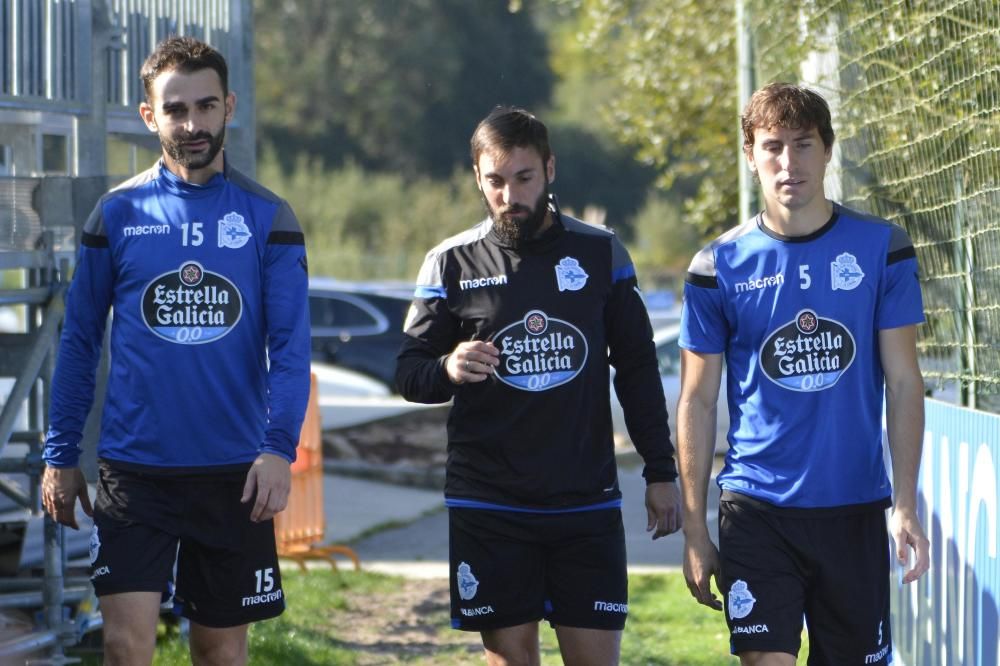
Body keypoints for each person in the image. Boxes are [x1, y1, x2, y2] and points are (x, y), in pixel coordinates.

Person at [40, 36, 310, 666]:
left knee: (218, 652)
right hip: (135, 474)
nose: (193, 125)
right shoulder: (117, 213)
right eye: (176, 109)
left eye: (206, 107)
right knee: (125, 646)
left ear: (229, 107)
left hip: (233, 474)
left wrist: (277, 449)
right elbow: (79, 341)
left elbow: (291, 348)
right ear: (149, 116)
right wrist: (60, 453)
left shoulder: (269, 217)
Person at [396, 106, 681, 666]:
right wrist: (448, 367)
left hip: (584, 501)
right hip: (489, 501)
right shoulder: (449, 262)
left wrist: (661, 471)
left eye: (523, 178)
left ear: (549, 169)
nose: (509, 195)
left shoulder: (602, 254)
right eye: (495, 181)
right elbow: (409, 373)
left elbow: (639, 372)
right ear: (477, 177)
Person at [676, 82, 930, 665]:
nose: (788, 163)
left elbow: (904, 381)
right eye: (772, 147)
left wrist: (906, 503)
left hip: (855, 507)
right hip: (757, 508)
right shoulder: (717, 266)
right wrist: (695, 530)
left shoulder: (882, 248)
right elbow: (696, 400)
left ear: (828, 150)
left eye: (803, 145)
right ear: (750, 155)